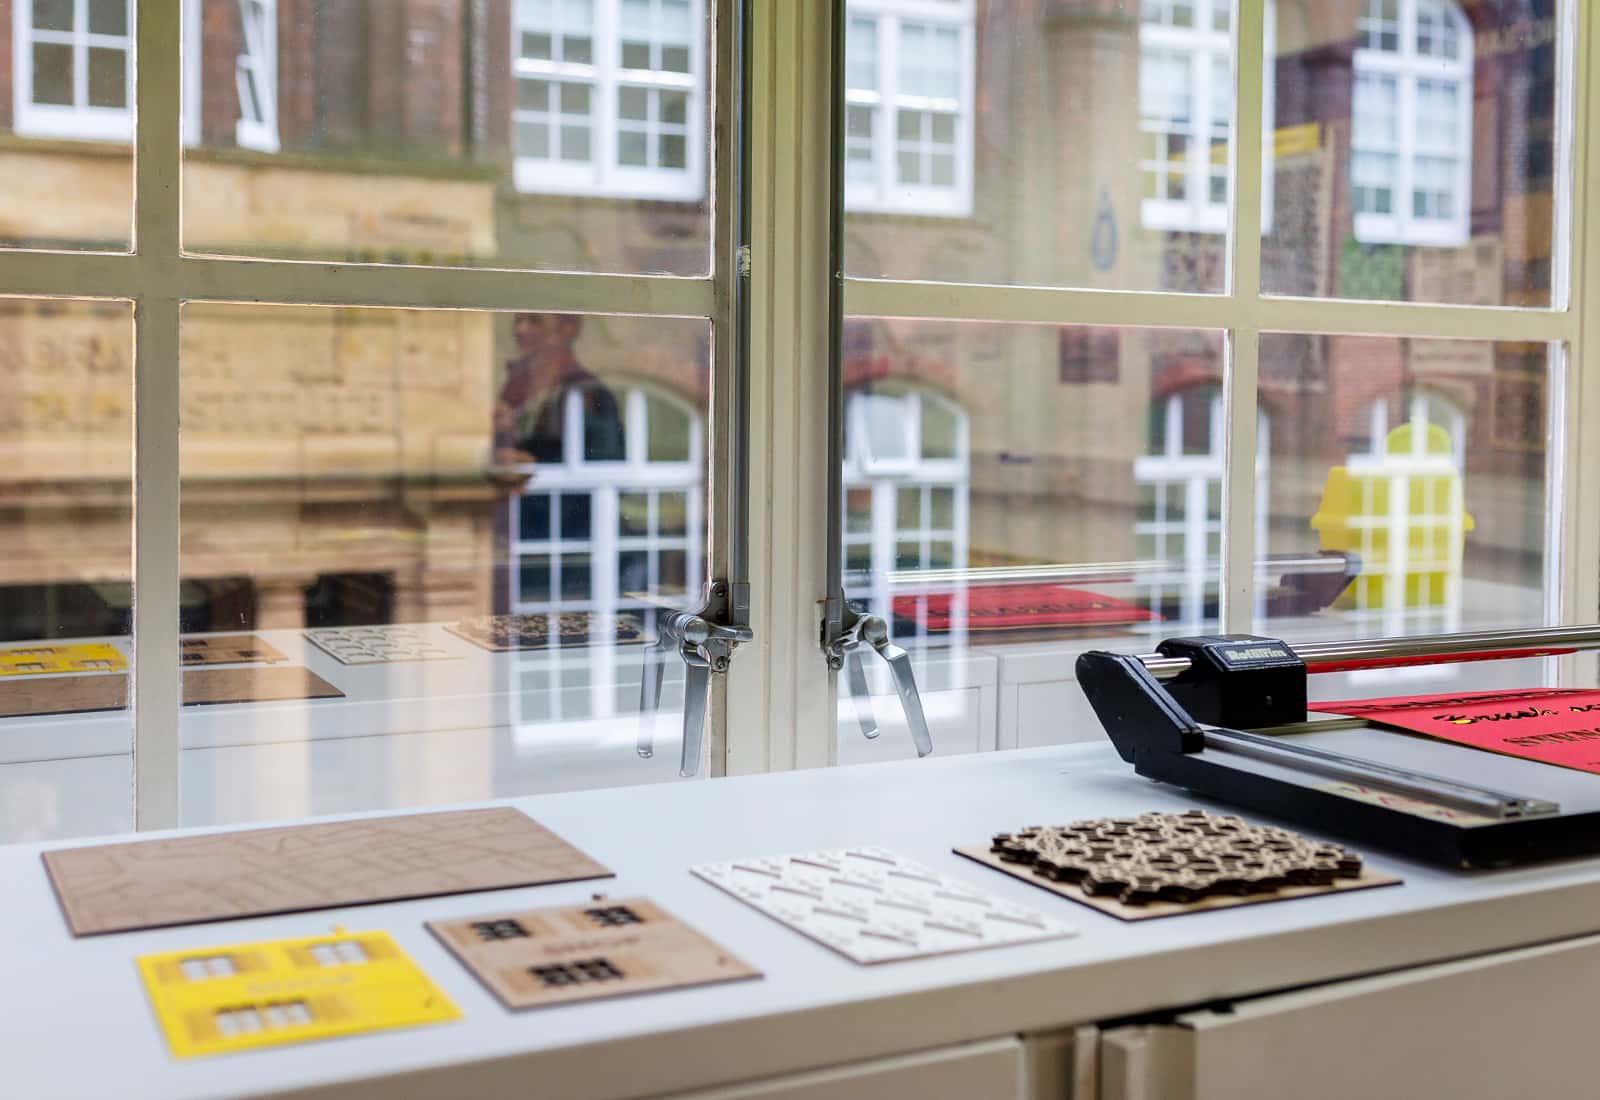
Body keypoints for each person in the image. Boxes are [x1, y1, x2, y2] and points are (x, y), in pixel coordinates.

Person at [493, 313, 625, 466]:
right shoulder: (516, 386)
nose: (520, 329)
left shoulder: (583, 392)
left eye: (535, 321)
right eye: (518, 321)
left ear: (568, 328)